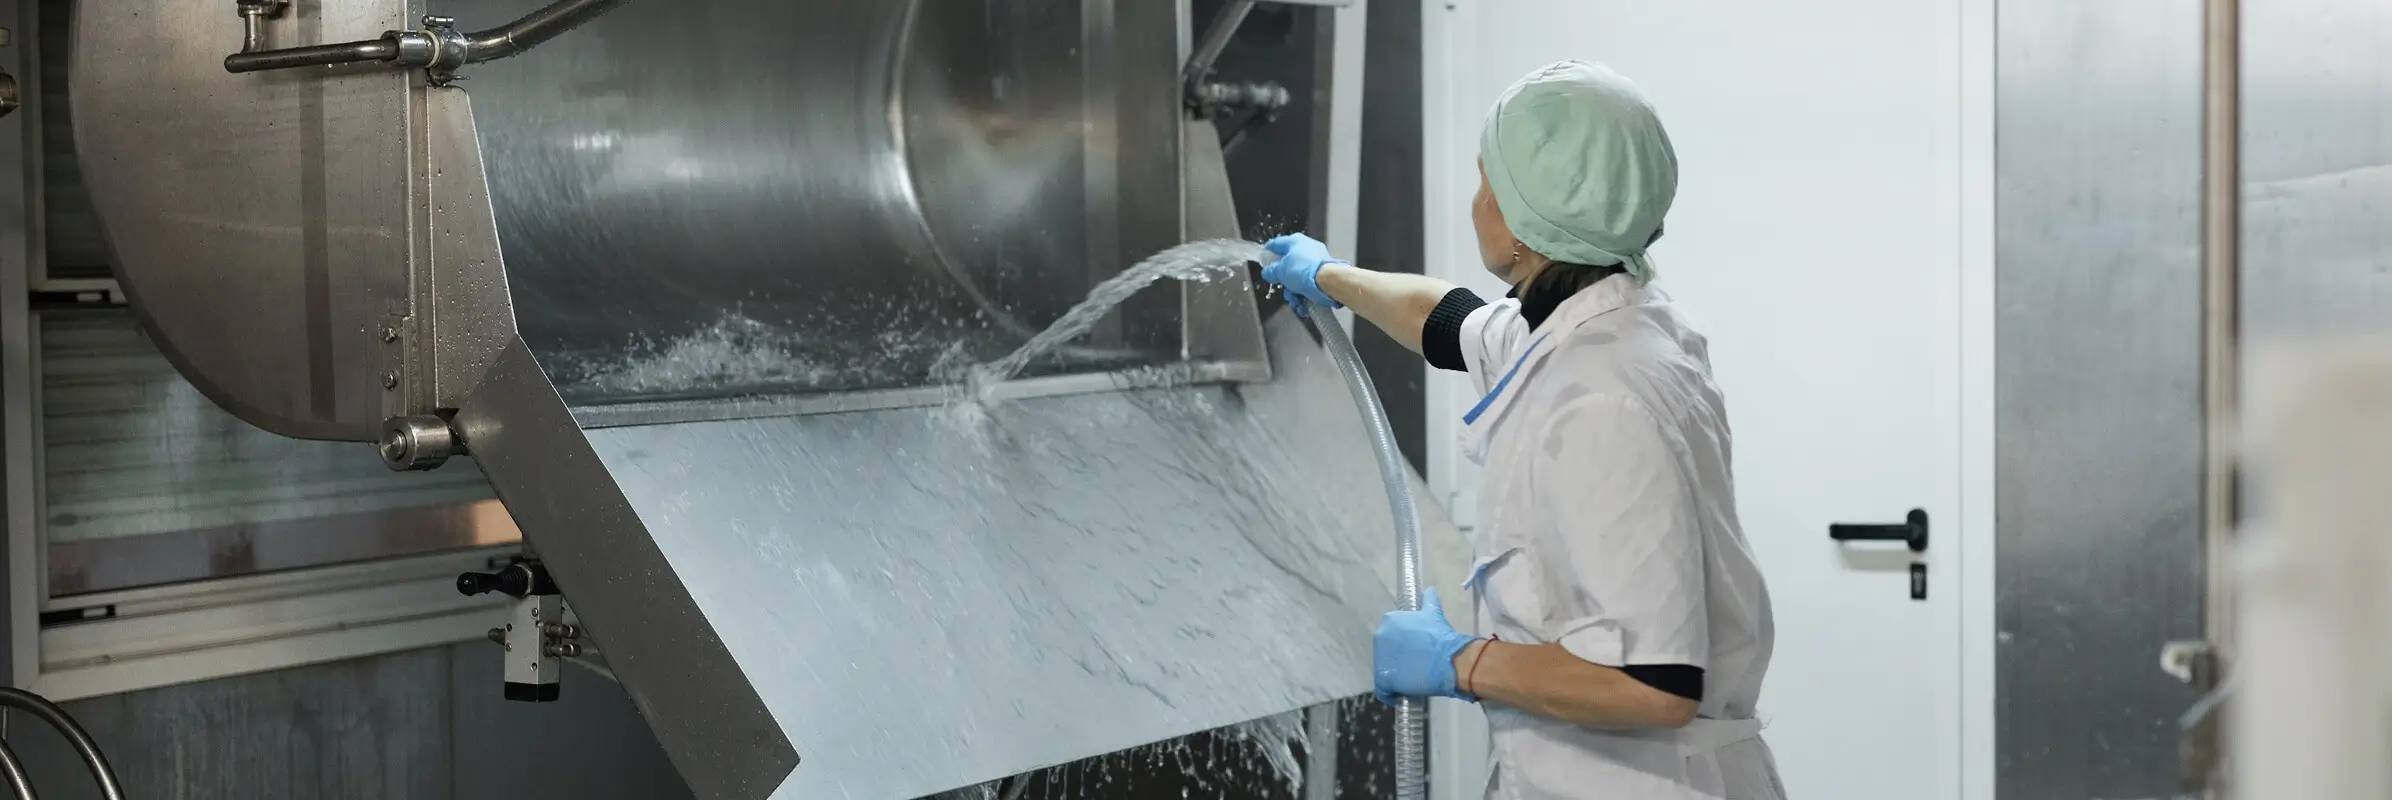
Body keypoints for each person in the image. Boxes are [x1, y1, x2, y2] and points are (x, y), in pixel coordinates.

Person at [1262, 60, 1785, 799]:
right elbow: (1449, 321)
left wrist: (1457, 663)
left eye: (1487, 181)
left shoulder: (1604, 401)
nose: (1476, 201)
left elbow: (1653, 684)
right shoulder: (1604, 321)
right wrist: (1332, 279)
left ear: (1524, 220)